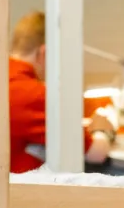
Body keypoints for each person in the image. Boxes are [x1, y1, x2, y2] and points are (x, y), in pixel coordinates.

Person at [7, 11, 115, 173]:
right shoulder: (34, 94)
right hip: (23, 193)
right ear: (44, 53)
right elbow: (95, 153)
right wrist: (103, 130)